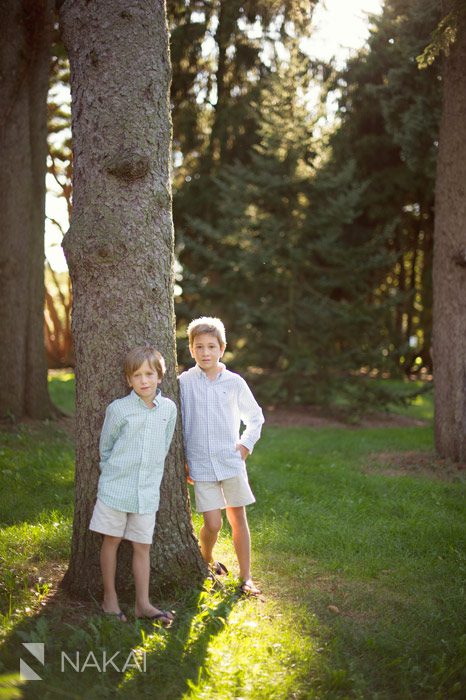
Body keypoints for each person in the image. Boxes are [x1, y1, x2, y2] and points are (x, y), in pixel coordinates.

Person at [89, 345, 177, 624]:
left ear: (159, 376)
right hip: (116, 489)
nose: (144, 381)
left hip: (147, 491)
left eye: (149, 374)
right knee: (111, 540)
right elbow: (106, 448)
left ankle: (143, 603)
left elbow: (164, 447)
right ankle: (110, 598)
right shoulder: (119, 409)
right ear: (129, 380)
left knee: (142, 546)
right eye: (137, 375)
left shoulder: (169, 409)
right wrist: (113, 475)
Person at [179, 316, 264, 595]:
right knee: (212, 523)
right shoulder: (183, 383)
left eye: (211, 347)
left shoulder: (234, 382)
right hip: (201, 465)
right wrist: (183, 459)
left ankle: (246, 576)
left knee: (238, 518)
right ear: (191, 349)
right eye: (199, 347)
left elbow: (255, 417)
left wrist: (245, 445)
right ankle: (205, 560)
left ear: (222, 348)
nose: (205, 353)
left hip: (230, 462)